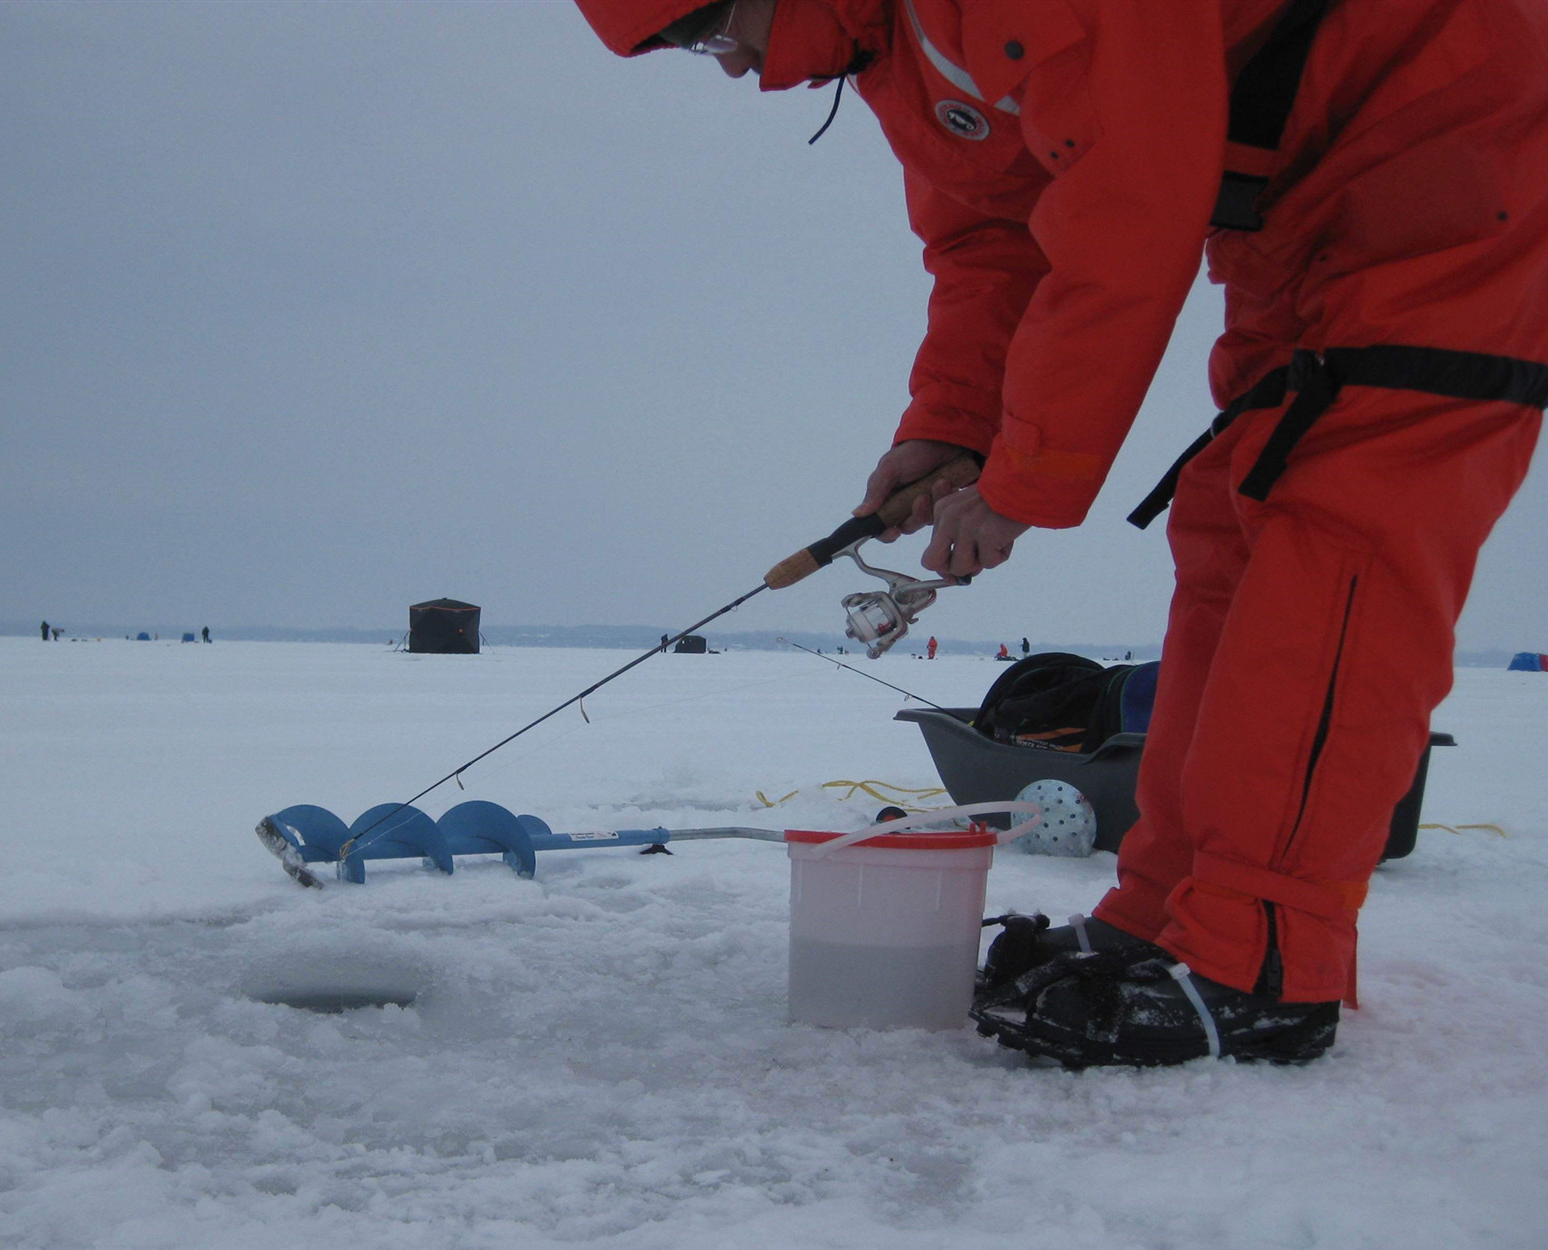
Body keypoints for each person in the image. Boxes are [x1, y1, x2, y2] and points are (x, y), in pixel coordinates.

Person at [573, 0, 1547, 1065]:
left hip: (1454, 132)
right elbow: (996, 235)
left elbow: (1130, 202)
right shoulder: (903, 49)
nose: (730, 70)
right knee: (1234, 519)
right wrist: (953, 428)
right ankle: (1173, 915)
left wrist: (1024, 478)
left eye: (712, 31)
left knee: (1341, 520)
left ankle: (1262, 956)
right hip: (1298, 196)